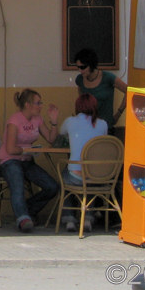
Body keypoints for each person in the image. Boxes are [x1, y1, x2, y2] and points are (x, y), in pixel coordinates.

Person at [0, 88, 61, 233]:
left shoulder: (38, 119)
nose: (41, 106)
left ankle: (27, 209)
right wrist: (28, 150)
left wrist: (54, 122)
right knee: (17, 185)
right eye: (38, 103)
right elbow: (10, 149)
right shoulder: (15, 120)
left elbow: (51, 139)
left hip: (27, 160)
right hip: (10, 160)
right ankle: (23, 218)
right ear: (27, 104)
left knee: (52, 186)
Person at [59, 92, 109, 232]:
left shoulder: (70, 122)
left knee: (65, 176)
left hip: (76, 176)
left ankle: (69, 219)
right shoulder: (103, 124)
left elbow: (61, 133)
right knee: (91, 175)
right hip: (98, 176)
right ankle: (88, 218)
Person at [73, 48, 128, 130]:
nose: (80, 70)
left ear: (91, 65)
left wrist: (118, 113)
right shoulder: (79, 79)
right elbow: (81, 99)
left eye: (83, 67)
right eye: (78, 67)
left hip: (106, 127)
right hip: (87, 127)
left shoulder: (108, 77)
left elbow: (129, 91)